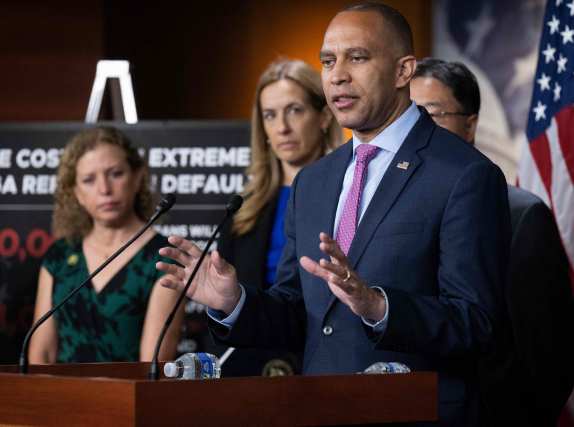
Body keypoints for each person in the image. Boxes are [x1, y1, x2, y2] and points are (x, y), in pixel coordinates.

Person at [157, 3, 511, 426]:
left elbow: (478, 325)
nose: (337, 74)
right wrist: (234, 302)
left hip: (413, 412)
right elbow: (298, 312)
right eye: (328, 61)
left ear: (404, 72)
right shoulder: (313, 181)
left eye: (357, 57)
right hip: (320, 410)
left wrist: (377, 305)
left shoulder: (464, 174)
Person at [410, 58, 574, 426]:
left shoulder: (522, 216)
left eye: (432, 114)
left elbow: (548, 358)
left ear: (470, 125)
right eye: (408, 115)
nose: (417, 129)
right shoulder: (393, 212)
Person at [213, 59, 344, 376]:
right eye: (270, 115)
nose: (281, 127)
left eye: (294, 110)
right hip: (251, 367)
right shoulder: (241, 209)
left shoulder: (350, 195)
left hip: (325, 360)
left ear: (325, 115)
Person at [30, 127, 184, 364]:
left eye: (115, 174)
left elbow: (153, 369)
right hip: (58, 398)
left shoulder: (166, 258)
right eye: (89, 180)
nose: (104, 189)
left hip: (127, 399)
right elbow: (41, 356)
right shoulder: (59, 256)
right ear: (76, 193)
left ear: (137, 177)